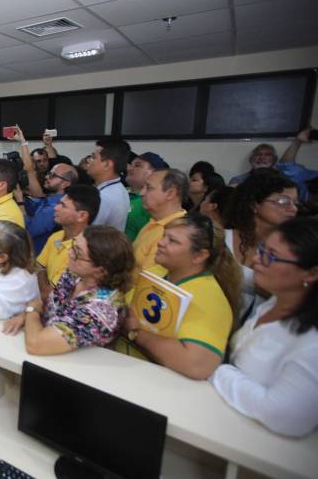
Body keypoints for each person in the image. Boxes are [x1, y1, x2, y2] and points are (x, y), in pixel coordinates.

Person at [210, 217, 318, 437]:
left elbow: (285, 416)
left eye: (271, 256)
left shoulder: (311, 343)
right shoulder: (275, 301)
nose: (257, 259)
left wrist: (213, 367)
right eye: (261, 249)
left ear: (311, 273)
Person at [120, 214, 241, 379]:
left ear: (199, 256)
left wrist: (136, 333)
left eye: (173, 241)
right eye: (164, 236)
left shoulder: (209, 298)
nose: (160, 243)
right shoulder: (159, 271)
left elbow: (197, 365)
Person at [17, 225, 135, 355]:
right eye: (73, 245)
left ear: (101, 270)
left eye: (78, 252)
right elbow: (51, 307)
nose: (70, 253)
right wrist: (28, 315)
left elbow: (36, 345)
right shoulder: (74, 275)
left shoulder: (103, 310)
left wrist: (32, 309)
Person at [224, 168, 299, 322]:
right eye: (283, 201)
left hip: (259, 330)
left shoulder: (292, 250)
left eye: (295, 202)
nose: (293, 208)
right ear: (254, 205)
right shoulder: (221, 239)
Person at [35, 185, 100, 300]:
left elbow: (48, 294)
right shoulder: (57, 236)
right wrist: (42, 272)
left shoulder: (82, 252)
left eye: (63, 206)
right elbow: (38, 265)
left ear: (82, 216)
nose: (56, 208)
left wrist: (41, 272)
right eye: (59, 202)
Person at [132, 169, 188, 275]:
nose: (141, 193)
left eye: (149, 188)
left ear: (170, 193)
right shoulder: (154, 222)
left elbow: (146, 279)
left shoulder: (176, 233)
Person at [87, 138, 131, 231]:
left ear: (107, 164)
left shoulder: (105, 197)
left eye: (93, 157)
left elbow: (89, 232)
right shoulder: (118, 188)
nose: (89, 161)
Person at [125, 152, 168, 241]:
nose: (129, 168)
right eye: (130, 165)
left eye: (137, 166)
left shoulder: (153, 202)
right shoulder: (119, 191)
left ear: (154, 173)